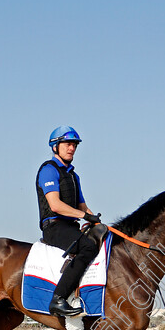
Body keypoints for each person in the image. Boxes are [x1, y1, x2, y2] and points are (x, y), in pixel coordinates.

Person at [36, 126, 102, 317]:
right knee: (88, 247)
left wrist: (99, 223)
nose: (72, 148)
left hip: (71, 226)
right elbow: (55, 205)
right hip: (54, 226)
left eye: (74, 145)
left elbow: (82, 207)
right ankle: (58, 299)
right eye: (67, 144)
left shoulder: (73, 176)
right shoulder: (48, 170)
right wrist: (84, 216)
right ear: (55, 147)